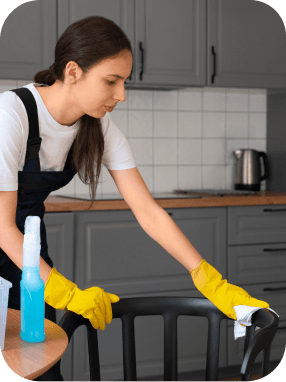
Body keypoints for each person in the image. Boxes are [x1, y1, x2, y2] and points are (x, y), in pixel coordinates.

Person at [0, 15, 269, 381]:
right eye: (111, 81)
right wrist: (65, 293)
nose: (122, 94)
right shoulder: (11, 115)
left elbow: (149, 213)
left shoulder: (97, 125)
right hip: (9, 238)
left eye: (124, 82)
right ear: (74, 71)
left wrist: (209, 280)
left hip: (29, 250)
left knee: (40, 365)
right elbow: (2, 226)